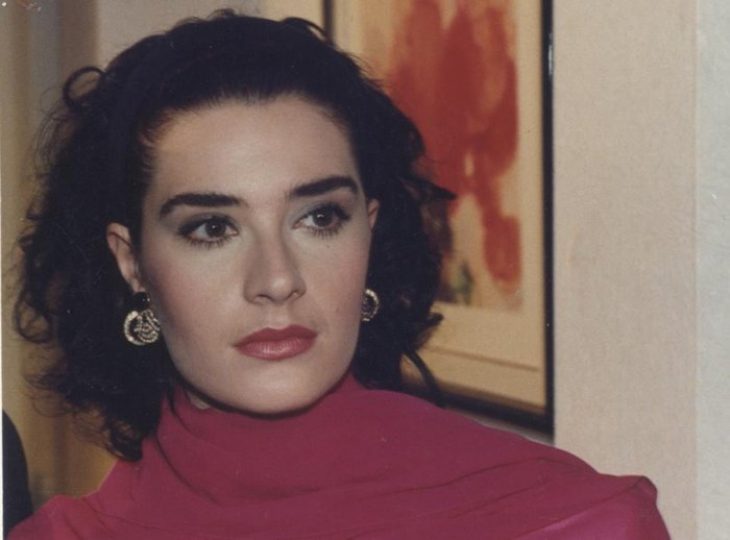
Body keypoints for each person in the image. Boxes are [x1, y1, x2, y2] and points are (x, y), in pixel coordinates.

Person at [9, 12, 669, 539]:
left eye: (319, 218)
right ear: (131, 262)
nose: (277, 280)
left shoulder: (573, 520)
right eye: (212, 228)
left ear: (369, 231)